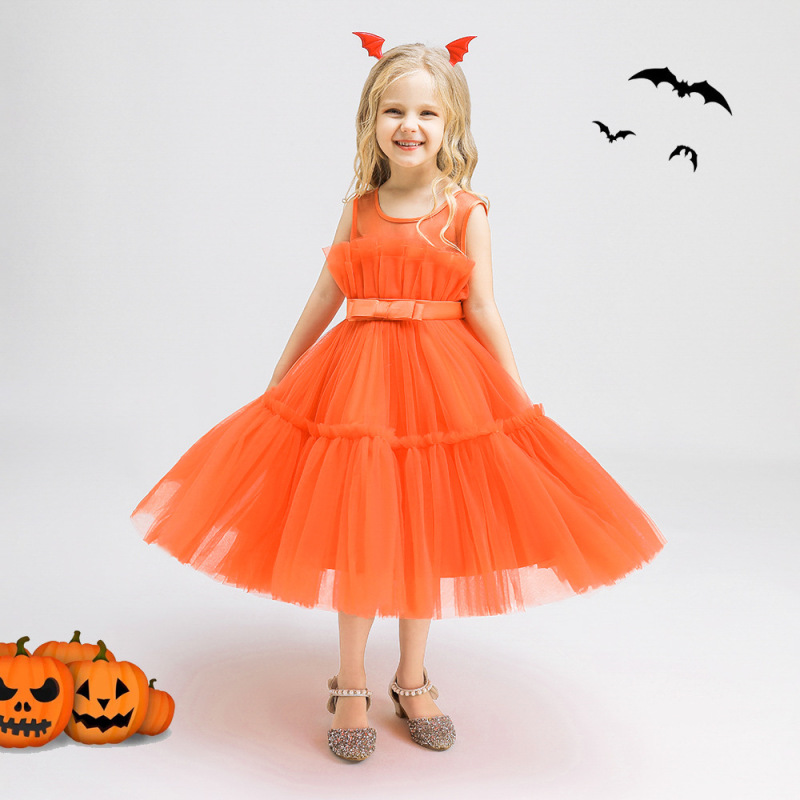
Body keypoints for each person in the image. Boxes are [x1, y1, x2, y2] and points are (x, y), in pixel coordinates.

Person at [130, 33, 666, 763]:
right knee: (359, 530)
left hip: (440, 388)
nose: (409, 125)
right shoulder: (360, 208)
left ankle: (412, 678)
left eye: (426, 113)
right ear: (370, 121)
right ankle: (350, 681)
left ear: (452, 125)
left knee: (422, 535)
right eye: (393, 111)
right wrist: (283, 373)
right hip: (358, 386)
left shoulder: (465, 211)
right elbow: (326, 293)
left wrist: (512, 396)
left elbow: (483, 307)